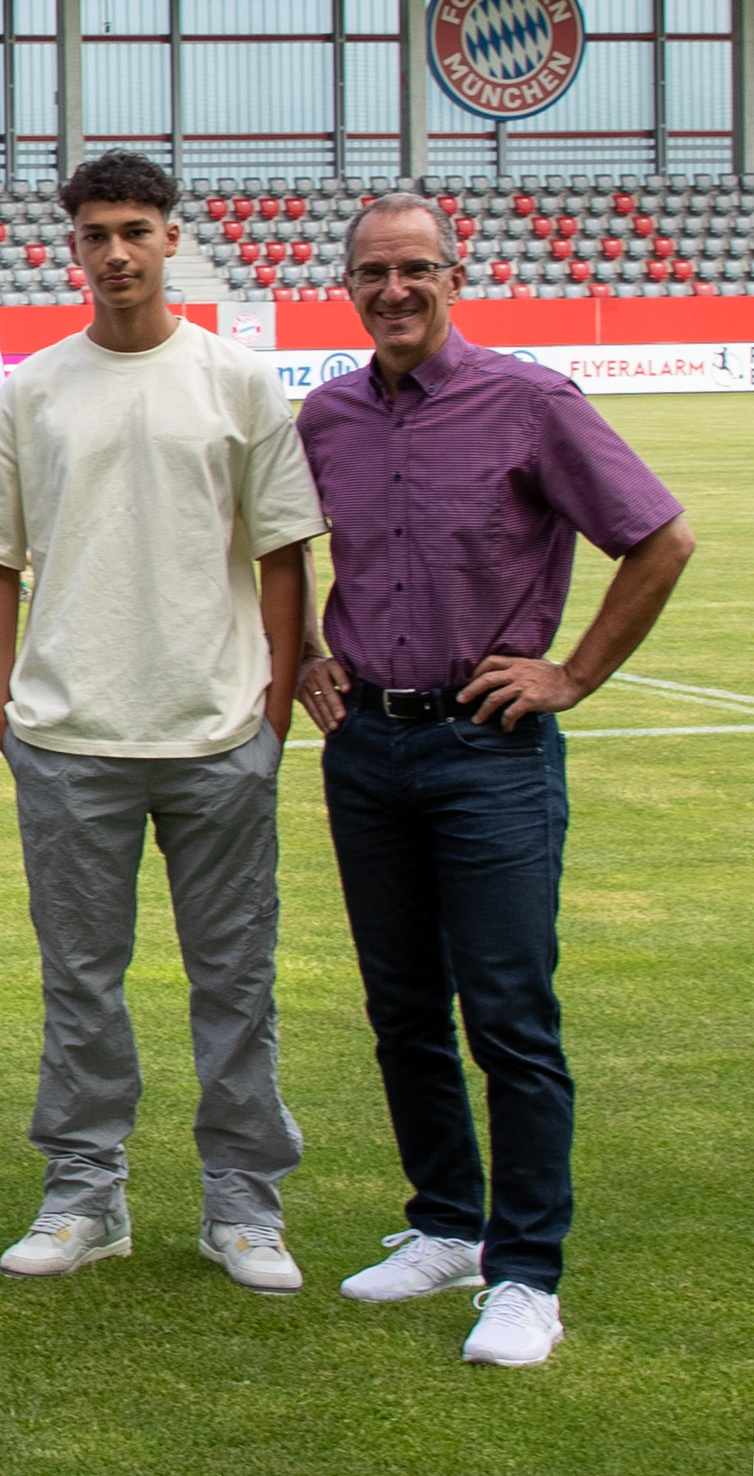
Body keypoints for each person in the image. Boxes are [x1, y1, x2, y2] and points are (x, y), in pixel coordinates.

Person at [293, 190, 694, 1368]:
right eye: (373, 272)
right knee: (403, 1007)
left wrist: (573, 672)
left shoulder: (528, 400)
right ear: (350, 286)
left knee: (510, 1016)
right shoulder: (326, 418)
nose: (395, 290)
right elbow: (277, 551)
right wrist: (309, 658)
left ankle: (527, 1270)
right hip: (368, 744)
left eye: (415, 268)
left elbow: (660, 537)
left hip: (488, 748)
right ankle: (445, 1224)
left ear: (453, 274)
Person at [0, 152, 324, 1294]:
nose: (115, 251)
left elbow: (285, 551)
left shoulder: (236, 381)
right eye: (96, 232)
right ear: (74, 247)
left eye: (135, 230)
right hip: (73, 736)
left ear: (170, 240)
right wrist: (3, 697)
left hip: (215, 735)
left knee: (235, 980)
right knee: (81, 982)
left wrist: (273, 709)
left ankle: (243, 1206)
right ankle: (83, 1194)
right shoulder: (36, 387)